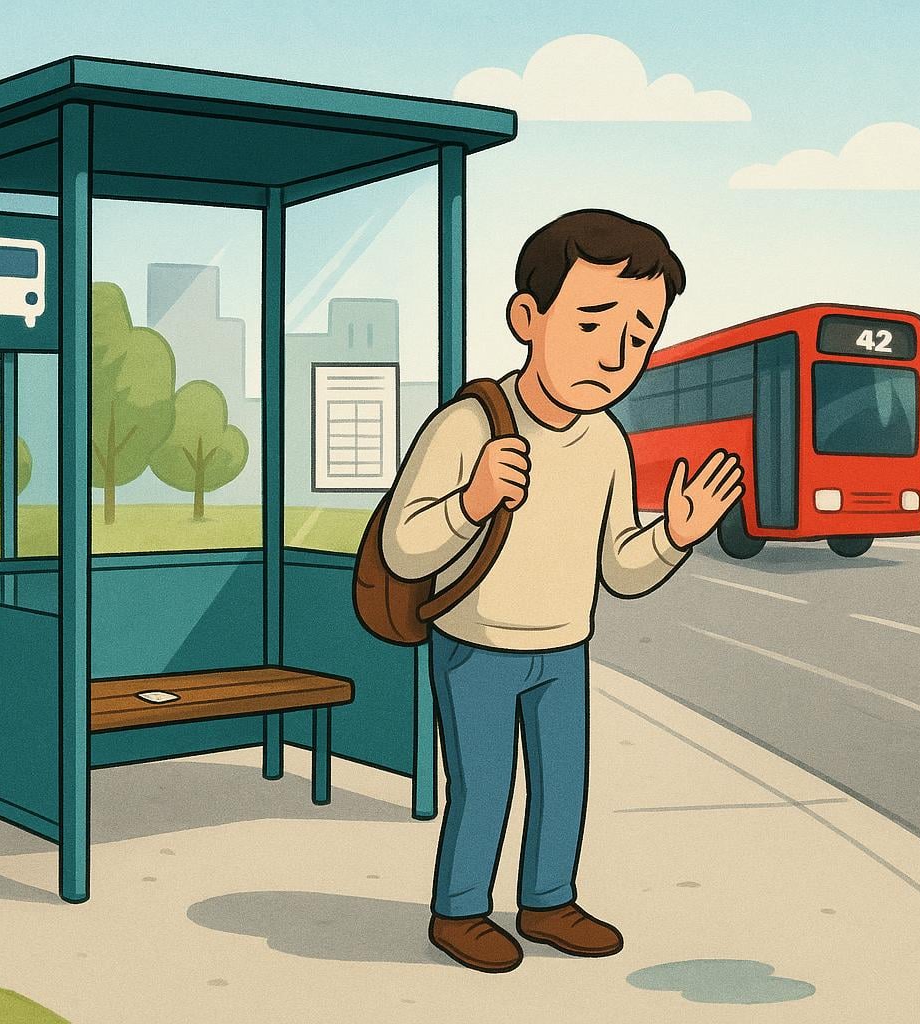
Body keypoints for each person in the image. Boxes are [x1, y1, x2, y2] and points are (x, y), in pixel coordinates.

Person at [380, 209, 745, 973]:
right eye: (591, 322)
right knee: (484, 788)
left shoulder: (608, 440)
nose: (615, 354)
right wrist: (471, 501)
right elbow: (404, 548)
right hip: (476, 646)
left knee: (563, 785)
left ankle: (548, 900)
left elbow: (620, 568)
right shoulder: (471, 422)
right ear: (528, 318)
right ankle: (460, 910)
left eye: (639, 335)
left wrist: (674, 534)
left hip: (563, 648)